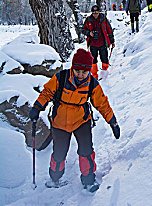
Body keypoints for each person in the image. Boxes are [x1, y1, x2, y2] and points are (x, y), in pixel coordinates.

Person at [29, 49, 120, 191]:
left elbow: (102, 104)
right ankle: (55, 178)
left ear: (89, 71)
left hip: (81, 121)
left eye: (84, 72)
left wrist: (112, 122)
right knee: (59, 154)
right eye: (78, 71)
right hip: (59, 122)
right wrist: (37, 107)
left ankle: (88, 180)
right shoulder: (61, 78)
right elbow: (47, 93)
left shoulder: (92, 84)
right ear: (73, 67)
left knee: (86, 151)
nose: (81, 75)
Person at [83, 5, 115, 79]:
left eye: (96, 13)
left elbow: (109, 30)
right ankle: (94, 76)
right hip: (92, 43)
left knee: (104, 58)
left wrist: (112, 41)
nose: (95, 15)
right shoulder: (88, 20)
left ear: (99, 12)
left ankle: (105, 74)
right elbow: (83, 30)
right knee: (93, 60)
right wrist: (89, 33)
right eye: (94, 13)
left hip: (102, 43)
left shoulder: (103, 19)